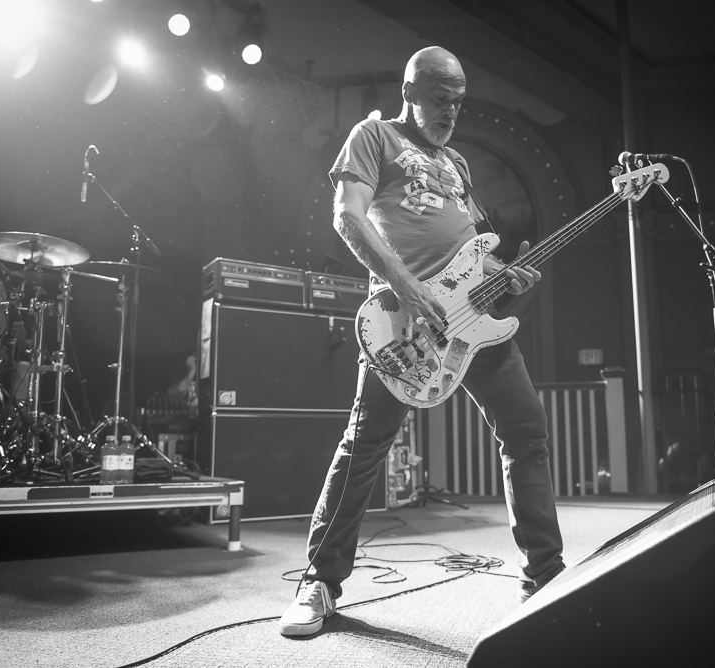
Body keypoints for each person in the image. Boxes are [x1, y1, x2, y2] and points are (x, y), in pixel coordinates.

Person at [279, 46, 565, 637]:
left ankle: (546, 576)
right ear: (410, 90)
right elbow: (347, 216)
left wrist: (504, 280)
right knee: (363, 447)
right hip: (404, 324)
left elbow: (475, 256)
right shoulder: (374, 137)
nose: (451, 113)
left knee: (528, 434)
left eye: (459, 103)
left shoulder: (458, 164)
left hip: (471, 327)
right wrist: (407, 288)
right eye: (441, 100)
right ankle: (320, 581)